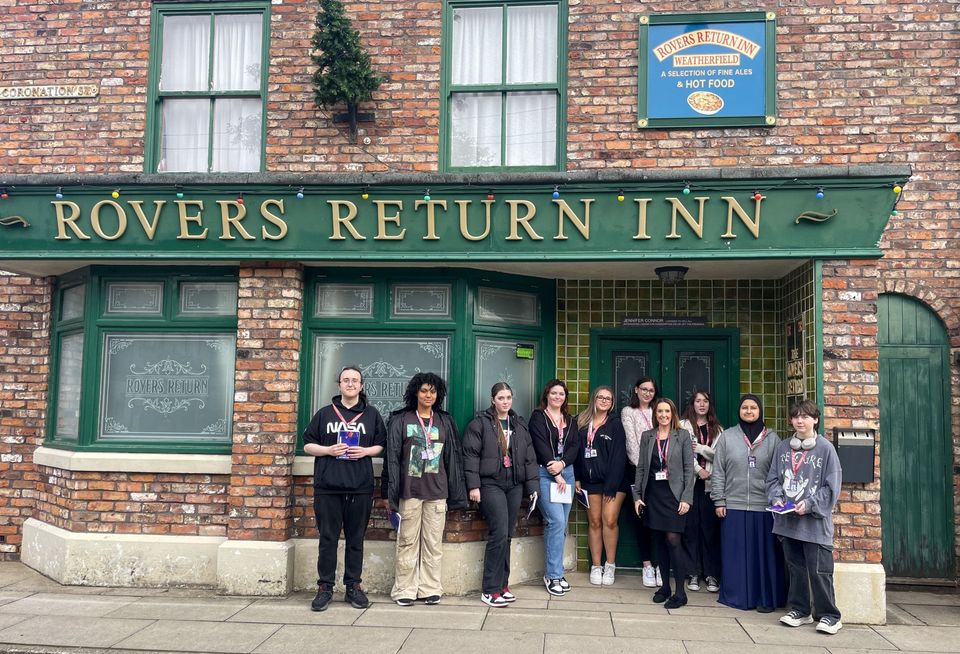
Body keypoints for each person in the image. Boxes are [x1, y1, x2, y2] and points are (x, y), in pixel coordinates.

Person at [303, 365, 387, 612]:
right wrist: (328, 450)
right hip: (328, 486)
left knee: (355, 539)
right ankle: (325, 587)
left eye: (355, 381)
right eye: (346, 380)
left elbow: (381, 445)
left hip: (360, 486)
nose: (350, 384)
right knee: (327, 539)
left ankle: (353, 586)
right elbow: (308, 445)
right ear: (339, 384)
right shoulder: (325, 414)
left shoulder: (371, 415)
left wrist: (366, 451)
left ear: (361, 386)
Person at [383, 372, 468, 606]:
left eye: (432, 391)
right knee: (407, 542)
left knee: (433, 543)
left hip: (437, 491)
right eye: (423, 391)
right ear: (415, 393)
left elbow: (454, 459)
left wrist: (458, 491)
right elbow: (391, 459)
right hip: (409, 491)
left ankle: (430, 587)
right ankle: (404, 589)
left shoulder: (445, 421)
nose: (428, 395)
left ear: (438, 394)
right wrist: (386, 494)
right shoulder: (401, 420)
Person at [768, 400, 844, 634]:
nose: (800, 421)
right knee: (796, 569)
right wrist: (777, 498)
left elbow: (832, 488)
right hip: (788, 524)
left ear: (815, 420)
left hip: (814, 525)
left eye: (805, 416)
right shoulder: (782, 448)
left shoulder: (825, 449)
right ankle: (800, 610)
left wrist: (809, 504)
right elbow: (772, 480)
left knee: (820, 572)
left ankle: (830, 615)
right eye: (796, 417)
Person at [463, 382, 539, 607]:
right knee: (498, 532)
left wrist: (533, 487)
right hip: (490, 484)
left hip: (514, 484)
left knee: (507, 533)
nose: (505, 402)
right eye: (501, 398)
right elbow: (470, 456)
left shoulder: (519, 424)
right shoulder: (480, 423)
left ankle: (502, 585)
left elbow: (530, 458)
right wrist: (473, 486)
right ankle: (489, 589)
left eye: (508, 397)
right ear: (492, 400)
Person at [710, 393, 786, 612]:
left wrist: (777, 500)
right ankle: (737, 597)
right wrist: (719, 500)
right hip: (733, 504)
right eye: (745, 407)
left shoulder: (772, 439)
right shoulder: (728, 437)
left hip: (764, 506)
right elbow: (718, 472)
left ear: (760, 410)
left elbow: (780, 474)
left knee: (764, 557)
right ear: (739, 411)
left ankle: (765, 598)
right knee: (736, 555)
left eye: (753, 407)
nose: (749, 411)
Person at [633, 398, 695, 609]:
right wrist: (637, 496)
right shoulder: (647, 436)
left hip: (675, 496)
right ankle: (665, 588)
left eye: (667, 411)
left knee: (673, 541)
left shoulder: (682, 435)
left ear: (673, 413)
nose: (663, 415)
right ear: (655, 414)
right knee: (659, 541)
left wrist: (687, 498)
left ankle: (680, 592)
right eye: (660, 411)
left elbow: (689, 469)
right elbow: (641, 468)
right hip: (653, 495)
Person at [528, 379, 579, 596]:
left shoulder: (570, 420)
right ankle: (552, 575)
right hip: (546, 472)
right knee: (555, 521)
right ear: (547, 395)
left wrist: (563, 465)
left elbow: (575, 445)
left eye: (561, 394)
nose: (558, 397)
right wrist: (555, 470)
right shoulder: (538, 417)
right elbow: (539, 444)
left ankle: (556, 572)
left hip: (566, 472)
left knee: (561, 524)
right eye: (554, 393)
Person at [575, 385, 627, 586]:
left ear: (612, 403)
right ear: (594, 399)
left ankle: (610, 564)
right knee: (594, 522)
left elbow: (618, 457)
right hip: (589, 482)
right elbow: (576, 453)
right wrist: (578, 477)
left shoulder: (615, 424)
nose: (604, 401)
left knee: (609, 520)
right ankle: (596, 566)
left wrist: (611, 486)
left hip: (613, 482)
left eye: (608, 399)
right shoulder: (580, 422)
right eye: (601, 397)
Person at [679, 390, 723, 593]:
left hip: (710, 486)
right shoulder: (683, 425)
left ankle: (711, 573)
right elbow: (683, 453)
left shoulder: (719, 429)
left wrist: (702, 449)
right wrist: (699, 470)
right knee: (690, 529)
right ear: (692, 404)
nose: (702, 404)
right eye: (698, 401)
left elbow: (720, 456)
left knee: (709, 530)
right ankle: (693, 572)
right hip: (691, 484)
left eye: (705, 401)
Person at [620, 376, 660, 587]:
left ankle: (661, 564)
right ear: (636, 390)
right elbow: (631, 444)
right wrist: (645, 468)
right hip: (637, 472)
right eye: (644, 389)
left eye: (651, 390)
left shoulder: (659, 411)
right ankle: (647, 566)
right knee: (641, 519)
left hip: (661, 475)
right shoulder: (629, 412)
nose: (647, 393)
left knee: (660, 520)